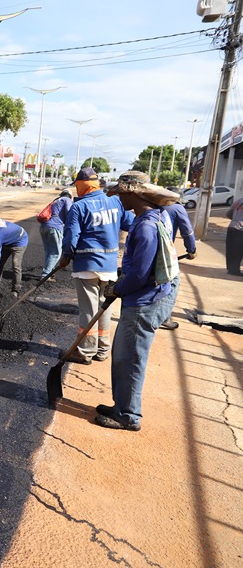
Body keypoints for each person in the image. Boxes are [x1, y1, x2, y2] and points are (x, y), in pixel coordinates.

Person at [95, 172, 180, 431]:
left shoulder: (145, 226)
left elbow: (141, 274)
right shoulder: (151, 217)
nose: (119, 198)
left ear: (134, 193)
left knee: (130, 358)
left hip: (144, 303)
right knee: (122, 355)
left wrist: (117, 289)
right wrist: (122, 282)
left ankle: (128, 416)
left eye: (121, 193)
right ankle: (120, 405)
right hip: (143, 298)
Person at [57, 167, 135, 364]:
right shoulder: (115, 202)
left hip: (86, 266)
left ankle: (85, 351)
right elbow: (131, 223)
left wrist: (66, 256)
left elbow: (70, 237)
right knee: (104, 307)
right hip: (108, 266)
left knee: (89, 309)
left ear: (81, 185)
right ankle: (102, 349)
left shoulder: (79, 207)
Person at [159, 200, 197, 330]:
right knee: (172, 282)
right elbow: (187, 231)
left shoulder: (152, 205)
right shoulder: (177, 208)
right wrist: (191, 250)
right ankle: (164, 318)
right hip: (165, 251)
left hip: (146, 247)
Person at [38, 189, 73, 281]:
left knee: (49, 252)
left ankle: (49, 273)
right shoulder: (67, 200)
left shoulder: (55, 201)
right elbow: (70, 213)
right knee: (56, 253)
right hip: (55, 227)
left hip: (43, 227)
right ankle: (45, 275)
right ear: (70, 196)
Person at [227, 196, 243, 276]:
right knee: (238, 251)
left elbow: (229, 214)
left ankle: (230, 269)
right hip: (240, 229)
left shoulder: (238, 201)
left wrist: (235, 219)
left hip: (232, 227)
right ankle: (234, 270)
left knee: (230, 249)